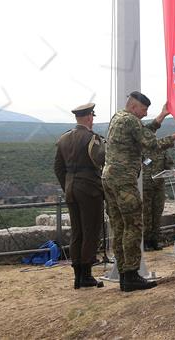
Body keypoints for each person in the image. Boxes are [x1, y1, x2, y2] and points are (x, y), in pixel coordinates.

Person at [103, 92, 175, 292]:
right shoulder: (132, 121)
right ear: (134, 107)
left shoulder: (119, 118)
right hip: (124, 181)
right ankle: (132, 274)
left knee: (119, 226)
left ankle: (125, 274)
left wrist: (161, 116)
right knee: (134, 225)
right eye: (144, 110)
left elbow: (144, 132)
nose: (145, 114)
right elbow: (153, 144)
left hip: (109, 179)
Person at [54, 103, 106, 289]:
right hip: (90, 190)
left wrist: (68, 185)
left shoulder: (64, 139)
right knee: (91, 231)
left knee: (77, 232)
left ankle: (77, 275)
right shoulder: (92, 138)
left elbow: (58, 168)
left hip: (71, 190)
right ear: (89, 117)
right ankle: (86, 275)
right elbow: (101, 161)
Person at [142, 148, 174, 251]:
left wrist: (172, 170)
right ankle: (146, 241)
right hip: (145, 187)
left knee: (157, 213)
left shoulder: (161, 149)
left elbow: (169, 164)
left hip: (159, 187)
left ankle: (155, 240)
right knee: (146, 215)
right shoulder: (141, 149)